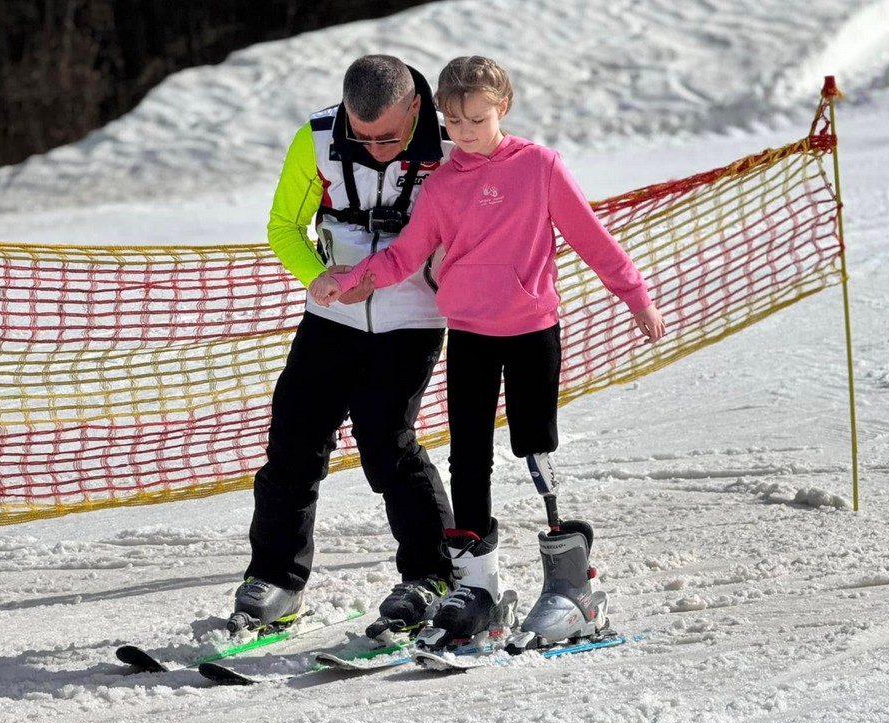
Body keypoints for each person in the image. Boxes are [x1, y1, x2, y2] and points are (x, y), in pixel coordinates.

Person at [310, 56, 667, 649]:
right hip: (470, 333)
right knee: (468, 454)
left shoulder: (540, 167)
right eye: (453, 120)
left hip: (530, 329)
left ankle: (570, 581)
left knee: (534, 442)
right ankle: (477, 589)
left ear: (504, 107)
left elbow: (592, 239)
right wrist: (347, 280)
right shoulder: (444, 183)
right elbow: (403, 257)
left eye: (477, 118)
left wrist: (637, 297)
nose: (465, 130)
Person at [229, 55, 458, 637]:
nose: (376, 148)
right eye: (362, 135)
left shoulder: (455, 139)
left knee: (386, 440)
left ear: (415, 108)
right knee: (293, 439)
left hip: (414, 312)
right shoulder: (316, 138)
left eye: (388, 136)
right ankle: (276, 582)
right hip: (332, 313)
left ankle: (430, 577)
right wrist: (315, 276)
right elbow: (285, 225)